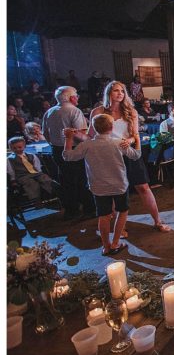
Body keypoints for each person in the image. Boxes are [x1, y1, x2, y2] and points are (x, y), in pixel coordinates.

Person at [89, 81, 171, 231]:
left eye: (122, 91)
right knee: (115, 192)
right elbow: (91, 135)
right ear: (109, 93)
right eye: (115, 91)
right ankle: (120, 228)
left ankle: (157, 221)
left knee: (143, 187)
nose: (119, 93)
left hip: (128, 152)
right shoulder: (98, 111)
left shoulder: (130, 111)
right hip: (108, 157)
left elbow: (135, 134)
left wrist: (130, 140)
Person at [63, 114, 140, 255]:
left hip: (98, 186)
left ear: (93, 127)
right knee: (122, 211)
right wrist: (137, 140)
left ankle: (106, 246)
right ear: (111, 127)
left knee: (103, 215)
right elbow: (136, 155)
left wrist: (68, 138)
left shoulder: (87, 145)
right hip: (119, 184)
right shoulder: (118, 143)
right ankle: (116, 242)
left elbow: (67, 156)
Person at [42, 86, 90, 216]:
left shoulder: (49, 112)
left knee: (65, 180)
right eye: (76, 95)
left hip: (57, 149)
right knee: (81, 179)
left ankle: (71, 210)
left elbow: (45, 133)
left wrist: (54, 143)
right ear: (72, 97)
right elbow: (80, 135)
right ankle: (88, 209)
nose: (78, 98)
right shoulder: (74, 111)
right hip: (74, 148)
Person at [7, 136, 61, 205]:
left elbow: (37, 165)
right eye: (14, 148)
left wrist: (39, 172)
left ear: (24, 146)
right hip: (22, 176)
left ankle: (54, 192)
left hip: (35, 173)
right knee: (31, 184)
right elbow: (11, 170)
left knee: (45, 179)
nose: (17, 149)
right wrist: (13, 180)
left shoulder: (31, 155)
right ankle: (36, 200)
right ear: (10, 148)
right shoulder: (10, 159)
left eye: (19, 147)